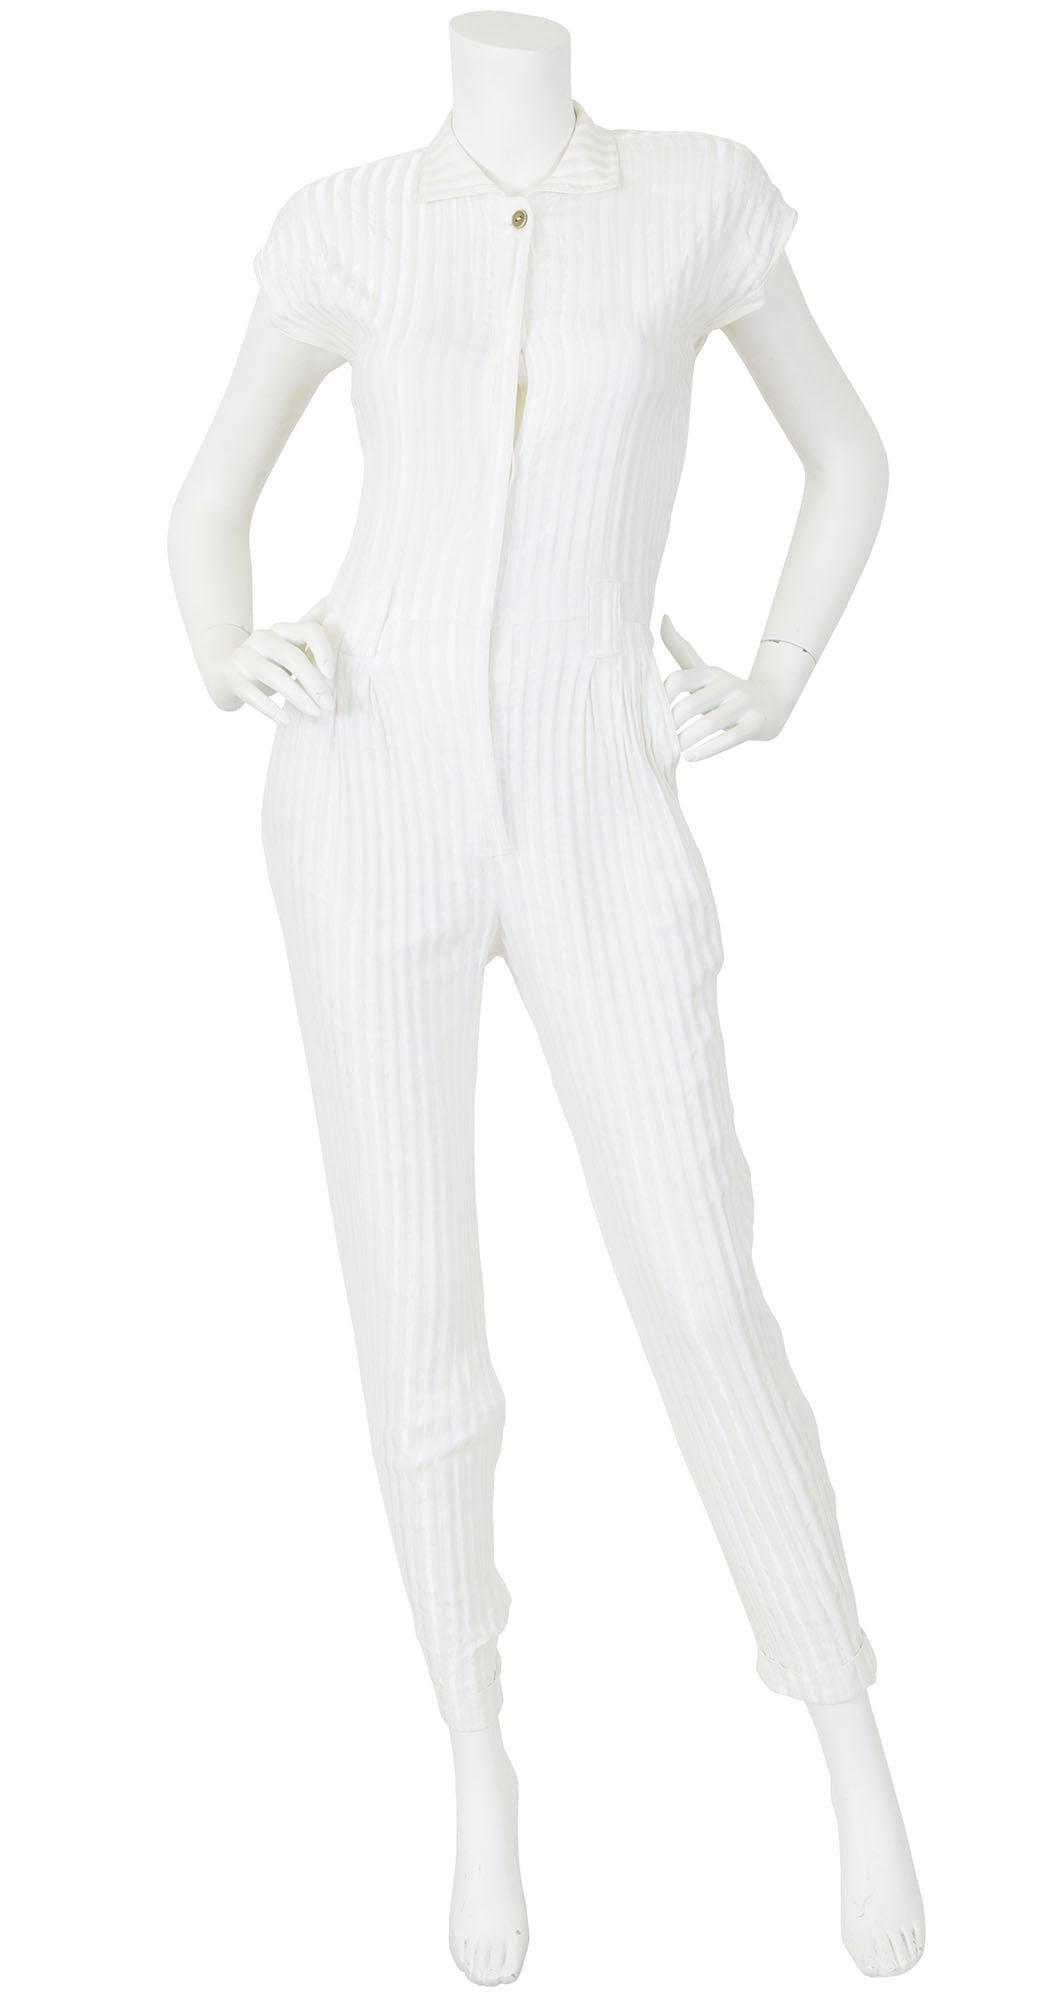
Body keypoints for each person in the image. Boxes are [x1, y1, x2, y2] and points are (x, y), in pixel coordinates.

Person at [168, 15, 924, 1985]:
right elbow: (210, 499)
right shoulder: (342, 221)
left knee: (697, 1273)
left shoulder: (695, 194)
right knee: (416, 1307)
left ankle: (846, 1727)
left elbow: (848, 452)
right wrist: (228, 649)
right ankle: (476, 1756)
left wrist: (775, 671)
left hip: (603, 784)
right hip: (364, 789)